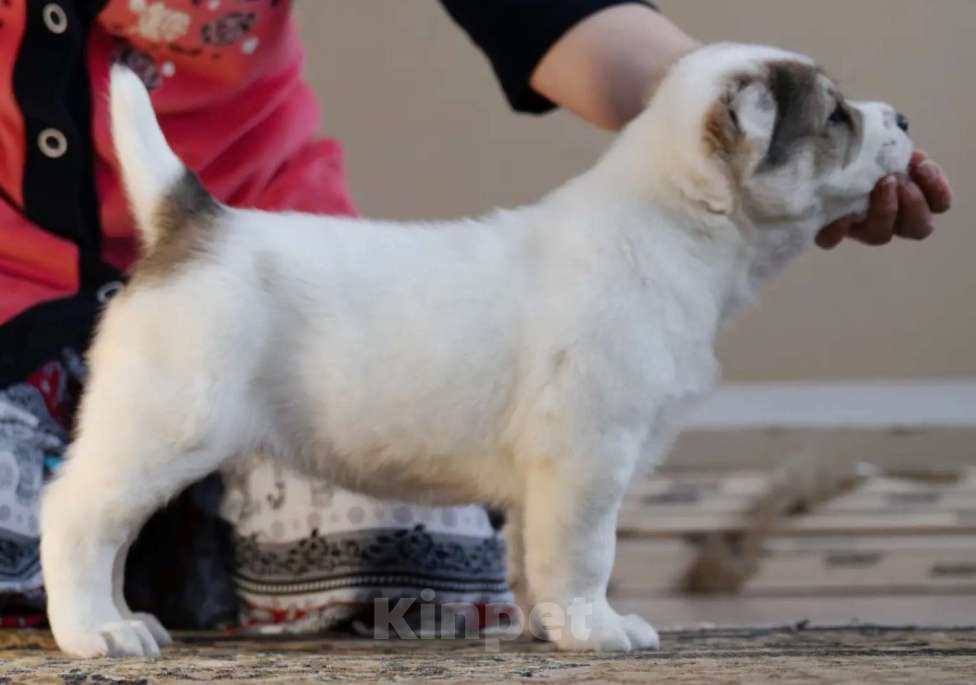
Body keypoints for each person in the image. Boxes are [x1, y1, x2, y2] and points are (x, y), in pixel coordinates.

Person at [0, 0, 951, 632]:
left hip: (278, 242)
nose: (872, 123)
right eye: (834, 119)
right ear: (737, 143)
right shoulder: (621, 279)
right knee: (140, 461)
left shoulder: (627, 251)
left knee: (430, 585)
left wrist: (682, 76)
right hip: (180, 290)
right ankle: (121, 562)